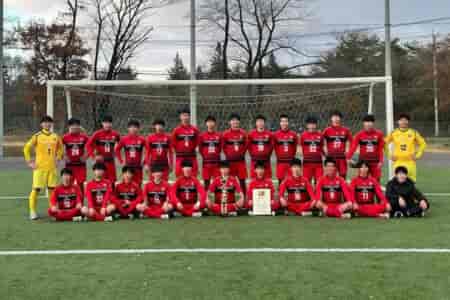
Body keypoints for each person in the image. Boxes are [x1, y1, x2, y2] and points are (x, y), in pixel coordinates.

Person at [23, 115, 63, 220]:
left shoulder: (55, 136)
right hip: (39, 168)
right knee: (36, 189)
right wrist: (29, 162)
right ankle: (32, 211)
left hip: (52, 168)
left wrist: (58, 158)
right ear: (41, 124)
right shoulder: (37, 136)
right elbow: (26, 148)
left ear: (51, 124)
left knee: (52, 190)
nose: (47, 124)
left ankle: (53, 211)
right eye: (45, 122)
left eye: (49, 122)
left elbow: (60, 149)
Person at [384, 113, 426, 182]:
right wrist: (390, 155)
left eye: (405, 120)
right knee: (398, 183)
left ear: (408, 122)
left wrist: (417, 155)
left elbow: (423, 144)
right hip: (398, 162)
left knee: (411, 183)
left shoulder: (413, 132)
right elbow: (383, 144)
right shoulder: (394, 133)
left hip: (410, 162)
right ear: (398, 122)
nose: (403, 122)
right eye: (401, 120)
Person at [347, 114, 384, 182]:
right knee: (361, 181)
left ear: (373, 123)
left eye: (370, 121)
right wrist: (348, 157)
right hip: (363, 163)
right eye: (366, 121)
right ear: (363, 123)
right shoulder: (359, 135)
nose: (368, 123)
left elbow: (380, 149)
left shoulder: (379, 134)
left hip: (375, 162)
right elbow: (353, 147)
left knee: (376, 181)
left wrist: (381, 161)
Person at [86, 115, 121, 182]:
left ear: (112, 124)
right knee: (101, 180)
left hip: (111, 162)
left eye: (109, 123)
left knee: (112, 181)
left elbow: (122, 144)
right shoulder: (97, 134)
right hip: (100, 162)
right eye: (105, 123)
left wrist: (117, 153)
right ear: (102, 123)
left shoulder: (115, 134)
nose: (107, 125)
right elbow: (88, 145)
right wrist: (94, 156)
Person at [222, 113, 248, 196]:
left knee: (242, 180)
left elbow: (246, 146)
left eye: (236, 120)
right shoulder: (226, 134)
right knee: (230, 181)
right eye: (233, 120)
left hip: (240, 161)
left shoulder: (243, 133)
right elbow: (224, 147)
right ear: (230, 122)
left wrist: (241, 154)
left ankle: (244, 199)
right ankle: (230, 199)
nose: (235, 122)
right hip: (230, 162)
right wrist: (229, 155)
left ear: (239, 122)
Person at [115, 119, 147, 186]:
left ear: (138, 128)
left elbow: (149, 151)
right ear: (128, 128)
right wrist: (121, 161)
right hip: (128, 166)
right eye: (131, 127)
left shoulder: (142, 139)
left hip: (138, 167)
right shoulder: (124, 139)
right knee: (126, 185)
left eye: (135, 127)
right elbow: (117, 150)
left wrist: (144, 162)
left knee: (138, 185)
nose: (133, 129)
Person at [322, 111, 353, 179]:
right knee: (330, 176)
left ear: (340, 118)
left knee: (343, 175)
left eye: (337, 117)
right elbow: (319, 142)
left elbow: (352, 142)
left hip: (342, 157)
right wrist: (324, 154)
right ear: (331, 118)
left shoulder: (345, 130)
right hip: (331, 158)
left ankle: (342, 189)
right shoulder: (327, 130)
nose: (335, 118)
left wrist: (349, 154)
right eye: (334, 117)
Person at [171, 108, 200, 177]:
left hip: (191, 156)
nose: (185, 117)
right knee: (179, 176)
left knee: (193, 176)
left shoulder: (194, 130)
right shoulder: (176, 130)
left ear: (189, 117)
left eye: (187, 115)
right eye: (183, 115)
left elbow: (197, 142)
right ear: (180, 117)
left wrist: (192, 149)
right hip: (180, 156)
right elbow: (173, 144)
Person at [62, 118, 89, 189]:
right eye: (72, 125)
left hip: (81, 165)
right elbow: (60, 149)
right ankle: (71, 199)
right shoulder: (65, 138)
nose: (74, 127)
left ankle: (80, 200)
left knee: (81, 184)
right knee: (68, 183)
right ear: (69, 127)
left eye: (76, 125)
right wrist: (64, 156)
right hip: (69, 165)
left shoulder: (84, 137)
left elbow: (90, 147)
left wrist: (86, 156)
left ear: (79, 126)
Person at [273, 114, 298, 185]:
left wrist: (291, 156)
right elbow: (274, 147)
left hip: (290, 161)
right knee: (281, 180)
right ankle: (281, 195)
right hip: (280, 162)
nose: (284, 123)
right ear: (280, 123)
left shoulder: (293, 134)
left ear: (288, 122)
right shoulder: (276, 135)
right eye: (282, 121)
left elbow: (295, 147)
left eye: (286, 121)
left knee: (292, 180)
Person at [199, 116, 222, 190]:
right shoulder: (202, 136)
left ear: (214, 123)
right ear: (206, 124)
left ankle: (217, 200)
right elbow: (200, 149)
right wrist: (206, 156)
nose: (210, 123)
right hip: (206, 163)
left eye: (212, 122)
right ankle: (206, 199)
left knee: (218, 182)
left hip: (216, 163)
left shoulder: (219, 136)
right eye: (208, 122)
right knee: (206, 183)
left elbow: (220, 148)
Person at [299, 116, 324, 184]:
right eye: (310, 124)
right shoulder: (303, 136)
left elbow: (321, 148)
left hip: (318, 163)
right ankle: (308, 195)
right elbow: (301, 147)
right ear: (307, 125)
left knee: (319, 182)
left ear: (316, 125)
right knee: (306, 182)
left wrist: (325, 155)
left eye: (313, 124)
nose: (312, 126)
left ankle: (317, 194)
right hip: (307, 163)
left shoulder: (320, 135)